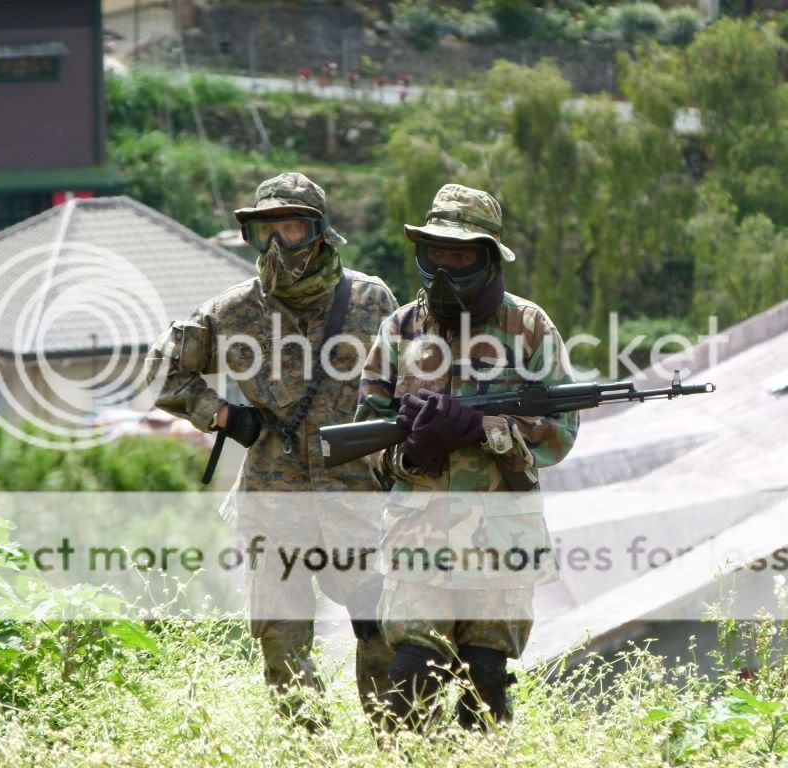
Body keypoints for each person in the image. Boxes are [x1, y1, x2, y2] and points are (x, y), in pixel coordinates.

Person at [146, 172, 398, 727]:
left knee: (383, 635)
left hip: (357, 498)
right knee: (282, 647)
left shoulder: (370, 299)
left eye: (294, 228)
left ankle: (399, 747)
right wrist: (225, 416)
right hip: (271, 502)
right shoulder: (234, 311)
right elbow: (163, 371)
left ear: (320, 233)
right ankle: (309, 752)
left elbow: (410, 381)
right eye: (268, 231)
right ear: (254, 238)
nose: (282, 244)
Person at [353, 183, 579, 731]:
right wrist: (413, 452)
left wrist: (485, 429)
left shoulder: (528, 326)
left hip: (500, 535)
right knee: (409, 680)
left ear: (487, 257)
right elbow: (365, 439)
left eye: (462, 255)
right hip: (419, 535)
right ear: (423, 254)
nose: (448, 268)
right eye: (438, 254)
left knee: (486, 688)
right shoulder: (399, 328)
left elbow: (562, 432)